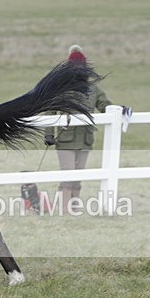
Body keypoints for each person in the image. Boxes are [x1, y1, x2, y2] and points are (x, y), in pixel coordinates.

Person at [43, 45, 111, 209]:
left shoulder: (94, 90)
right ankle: (64, 209)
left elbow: (105, 106)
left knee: (78, 177)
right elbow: (50, 112)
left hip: (85, 139)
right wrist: (48, 134)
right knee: (67, 175)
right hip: (66, 139)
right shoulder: (61, 89)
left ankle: (75, 208)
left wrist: (119, 110)